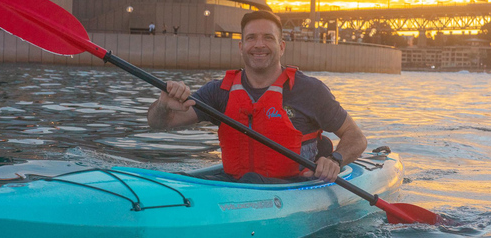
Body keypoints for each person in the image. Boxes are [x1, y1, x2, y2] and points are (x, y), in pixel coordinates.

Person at [147, 10, 367, 183]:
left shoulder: (310, 90)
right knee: (186, 178)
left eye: (268, 38)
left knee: (251, 179)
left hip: (294, 186)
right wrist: (163, 105)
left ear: (281, 47)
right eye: (251, 38)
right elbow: (158, 123)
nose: (259, 45)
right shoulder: (218, 91)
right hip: (236, 184)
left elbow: (356, 137)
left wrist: (335, 160)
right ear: (241, 47)